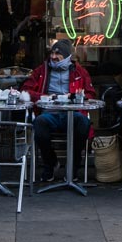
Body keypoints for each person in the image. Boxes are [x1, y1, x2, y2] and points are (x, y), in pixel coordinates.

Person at [22, 39, 96, 182]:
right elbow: (25, 90)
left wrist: (74, 96)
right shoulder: (42, 70)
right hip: (50, 113)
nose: (53, 56)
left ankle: (73, 167)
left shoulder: (79, 71)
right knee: (39, 123)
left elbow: (91, 94)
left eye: (58, 53)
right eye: (52, 53)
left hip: (72, 113)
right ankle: (50, 163)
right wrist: (45, 97)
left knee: (83, 124)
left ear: (67, 55)